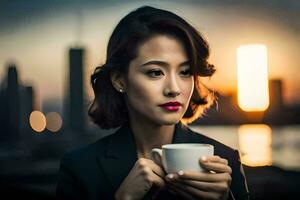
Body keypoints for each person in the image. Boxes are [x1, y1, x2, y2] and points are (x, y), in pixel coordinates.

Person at [56, 6, 250, 200]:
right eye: (155, 72)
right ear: (119, 80)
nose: (174, 88)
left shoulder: (226, 161)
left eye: (185, 72)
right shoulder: (80, 167)